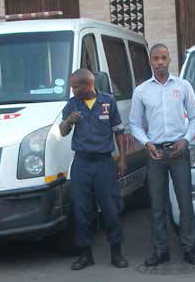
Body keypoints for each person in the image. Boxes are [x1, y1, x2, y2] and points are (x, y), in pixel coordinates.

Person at [129, 43, 195, 266]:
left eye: (163, 58)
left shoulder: (183, 86)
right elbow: (134, 123)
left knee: (185, 202)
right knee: (157, 203)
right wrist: (147, 142)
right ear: (150, 62)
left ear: (170, 60)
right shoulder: (141, 91)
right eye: (156, 58)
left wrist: (186, 140)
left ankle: (189, 248)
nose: (160, 62)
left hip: (179, 151)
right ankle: (161, 250)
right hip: (155, 153)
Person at [59, 68, 128, 270]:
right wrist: (68, 121)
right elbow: (62, 132)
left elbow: (119, 133)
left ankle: (116, 253)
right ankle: (85, 255)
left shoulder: (108, 102)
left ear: (88, 84)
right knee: (81, 210)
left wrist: (122, 159)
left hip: (104, 163)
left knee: (111, 209)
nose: (73, 91)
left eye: (75, 86)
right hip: (81, 163)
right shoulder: (72, 105)